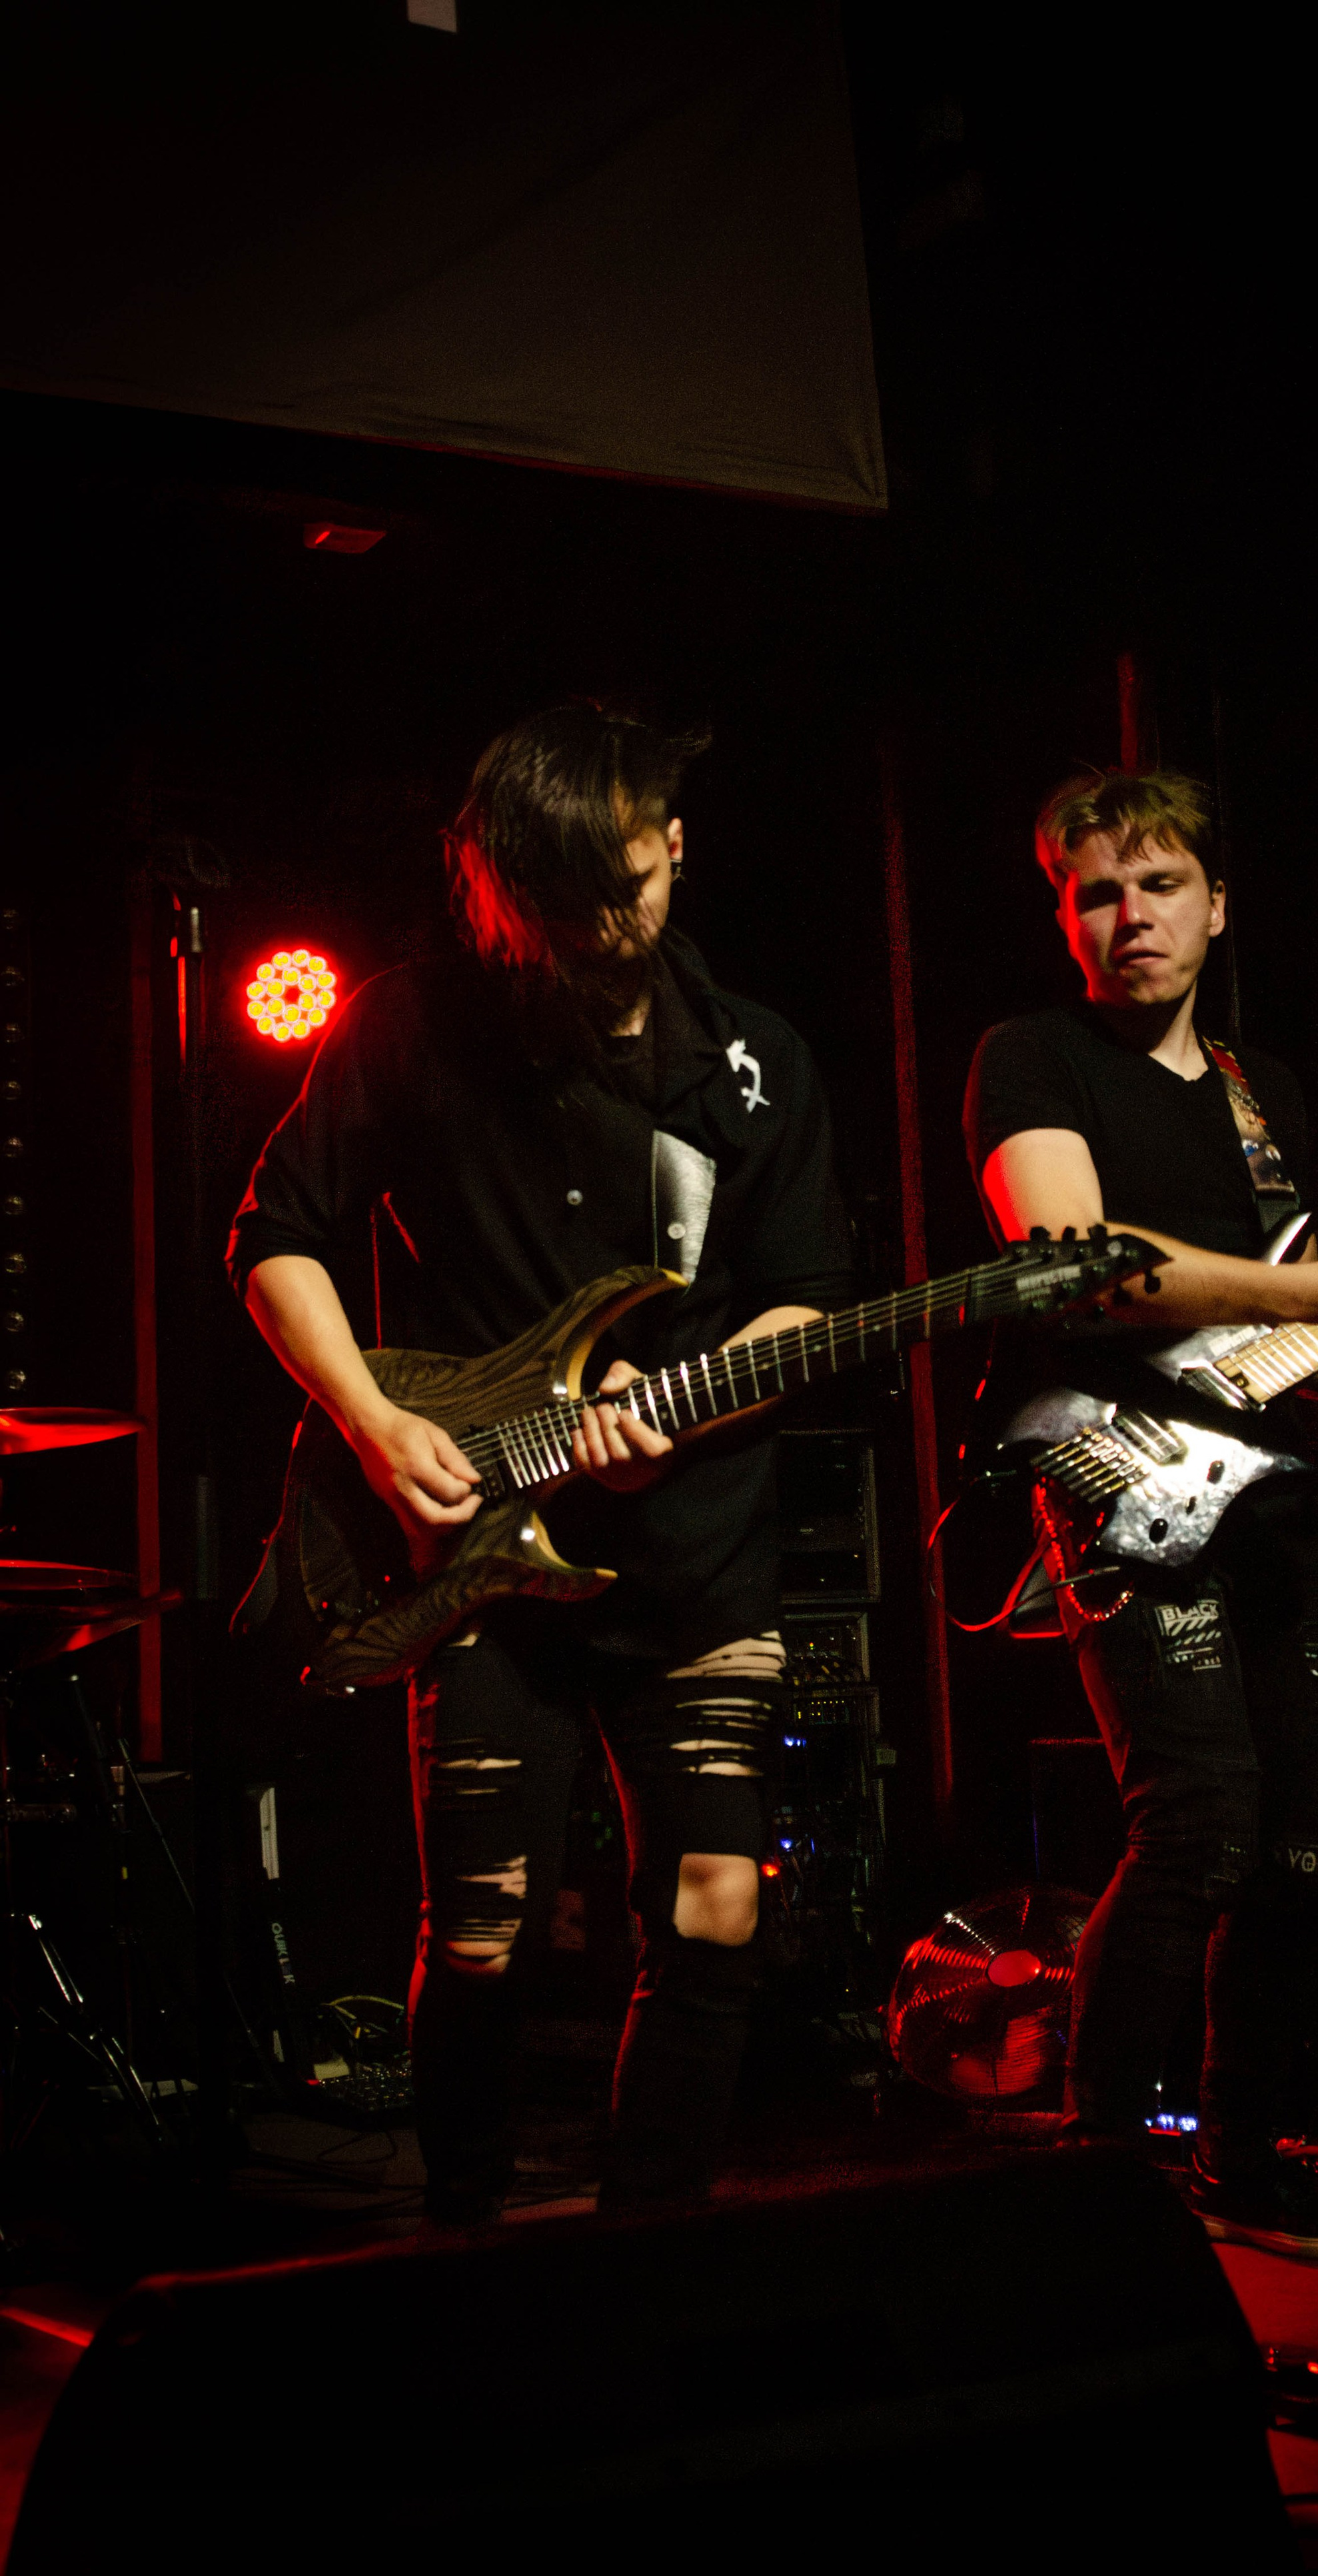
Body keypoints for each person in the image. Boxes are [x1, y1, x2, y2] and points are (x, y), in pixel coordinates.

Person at [229, 701, 852, 2219]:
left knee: (716, 1909)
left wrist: (686, 1414)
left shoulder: (756, 1064)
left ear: (675, 845)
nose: (599, 930)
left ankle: (649, 2240)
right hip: (481, 1561)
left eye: (626, 886)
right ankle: (471, 2235)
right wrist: (378, 1431)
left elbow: (802, 1298)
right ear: (496, 889)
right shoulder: (412, 1022)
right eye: (558, 906)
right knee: (485, 1931)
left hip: (696, 1547)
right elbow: (277, 1242)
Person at [963, 766, 1318, 2259]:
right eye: (1094, 892)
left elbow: (1274, 1317)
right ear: (1063, 919)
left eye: (1156, 885)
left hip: (1271, 1495)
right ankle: (1095, 2175)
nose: (1128, 918)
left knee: (1303, 1835)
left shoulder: (1260, 1092)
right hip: (1116, 1478)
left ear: (1214, 905)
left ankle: (1243, 2154)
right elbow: (1073, 1263)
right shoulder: (1028, 1057)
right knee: (1194, 1822)